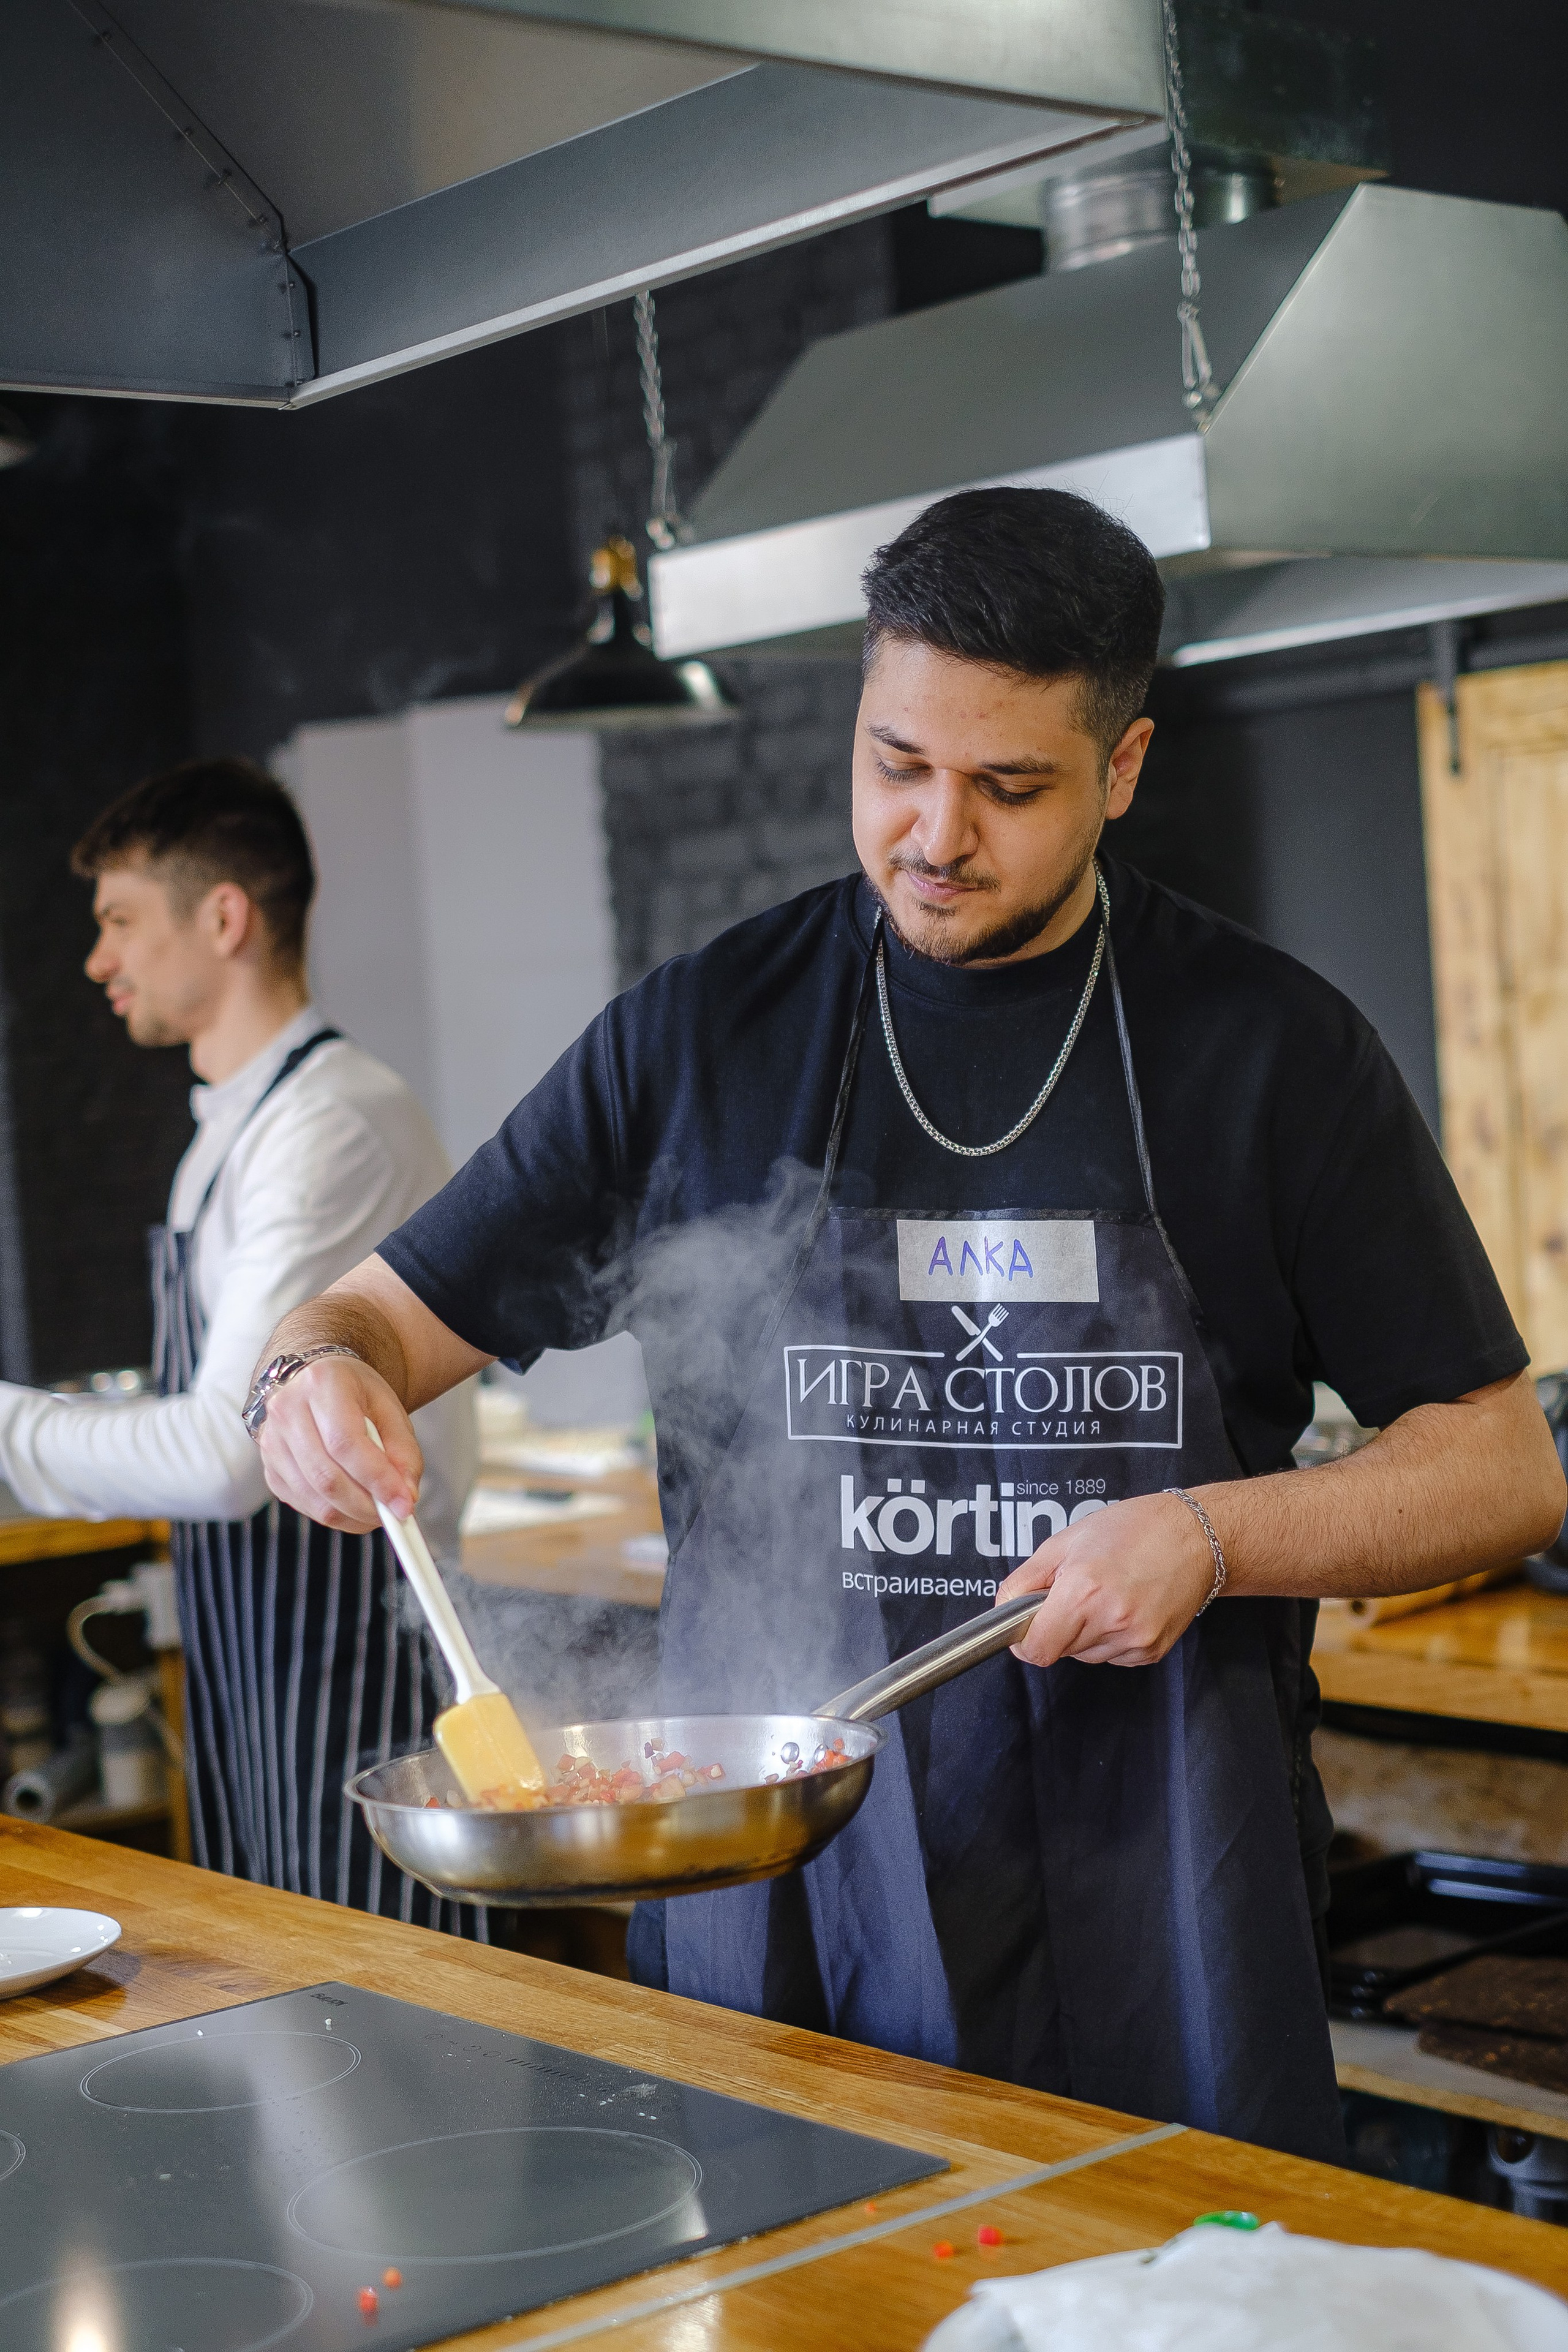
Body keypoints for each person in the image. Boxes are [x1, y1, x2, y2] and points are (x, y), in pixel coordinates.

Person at [244, 490, 1564, 2159]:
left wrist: (1213, 1533)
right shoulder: (701, 1038)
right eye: (895, 765)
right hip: (785, 1901)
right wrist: (310, 1380)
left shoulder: (1273, 1054)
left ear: (1125, 769)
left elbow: (1502, 1465)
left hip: (1164, 1892)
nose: (936, 833)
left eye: (1011, 787)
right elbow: (371, 1316)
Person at [0, 759, 477, 1926]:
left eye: (120, 922)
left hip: (356, 1656)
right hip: (261, 1655)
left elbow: (226, 1450)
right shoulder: (242, 1124)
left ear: (223, 918)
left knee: (396, 2042)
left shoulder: (329, 1124)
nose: (98, 961)